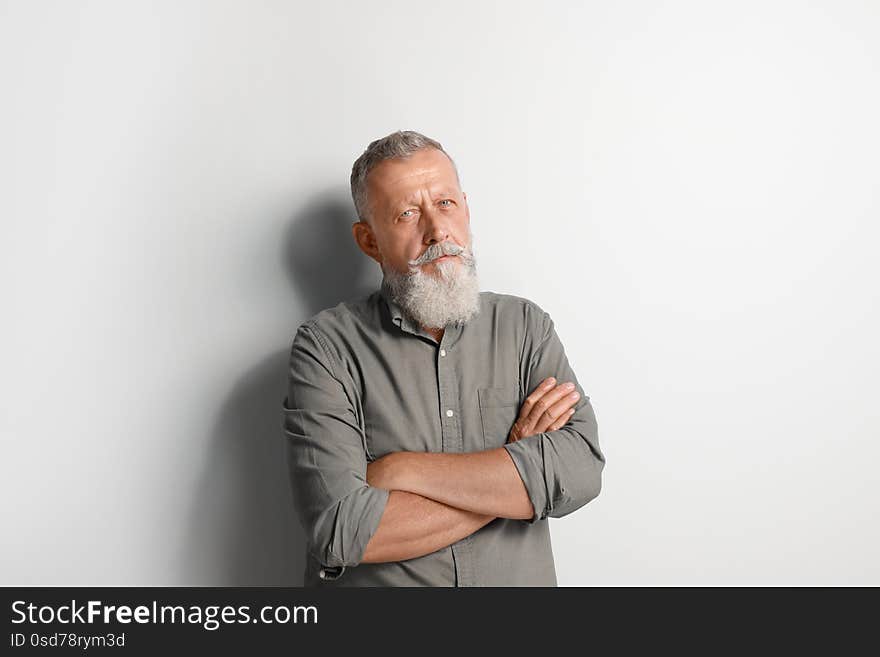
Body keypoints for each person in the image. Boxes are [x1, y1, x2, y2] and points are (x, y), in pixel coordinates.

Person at [281, 130, 604, 586]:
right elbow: (343, 531)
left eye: (446, 204)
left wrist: (404, 470)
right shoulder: (326, 349)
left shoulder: (525, 326)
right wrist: (515, 471)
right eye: (408, 213)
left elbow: (581, 469)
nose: (437, 231)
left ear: (466, 210)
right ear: (369, 241)